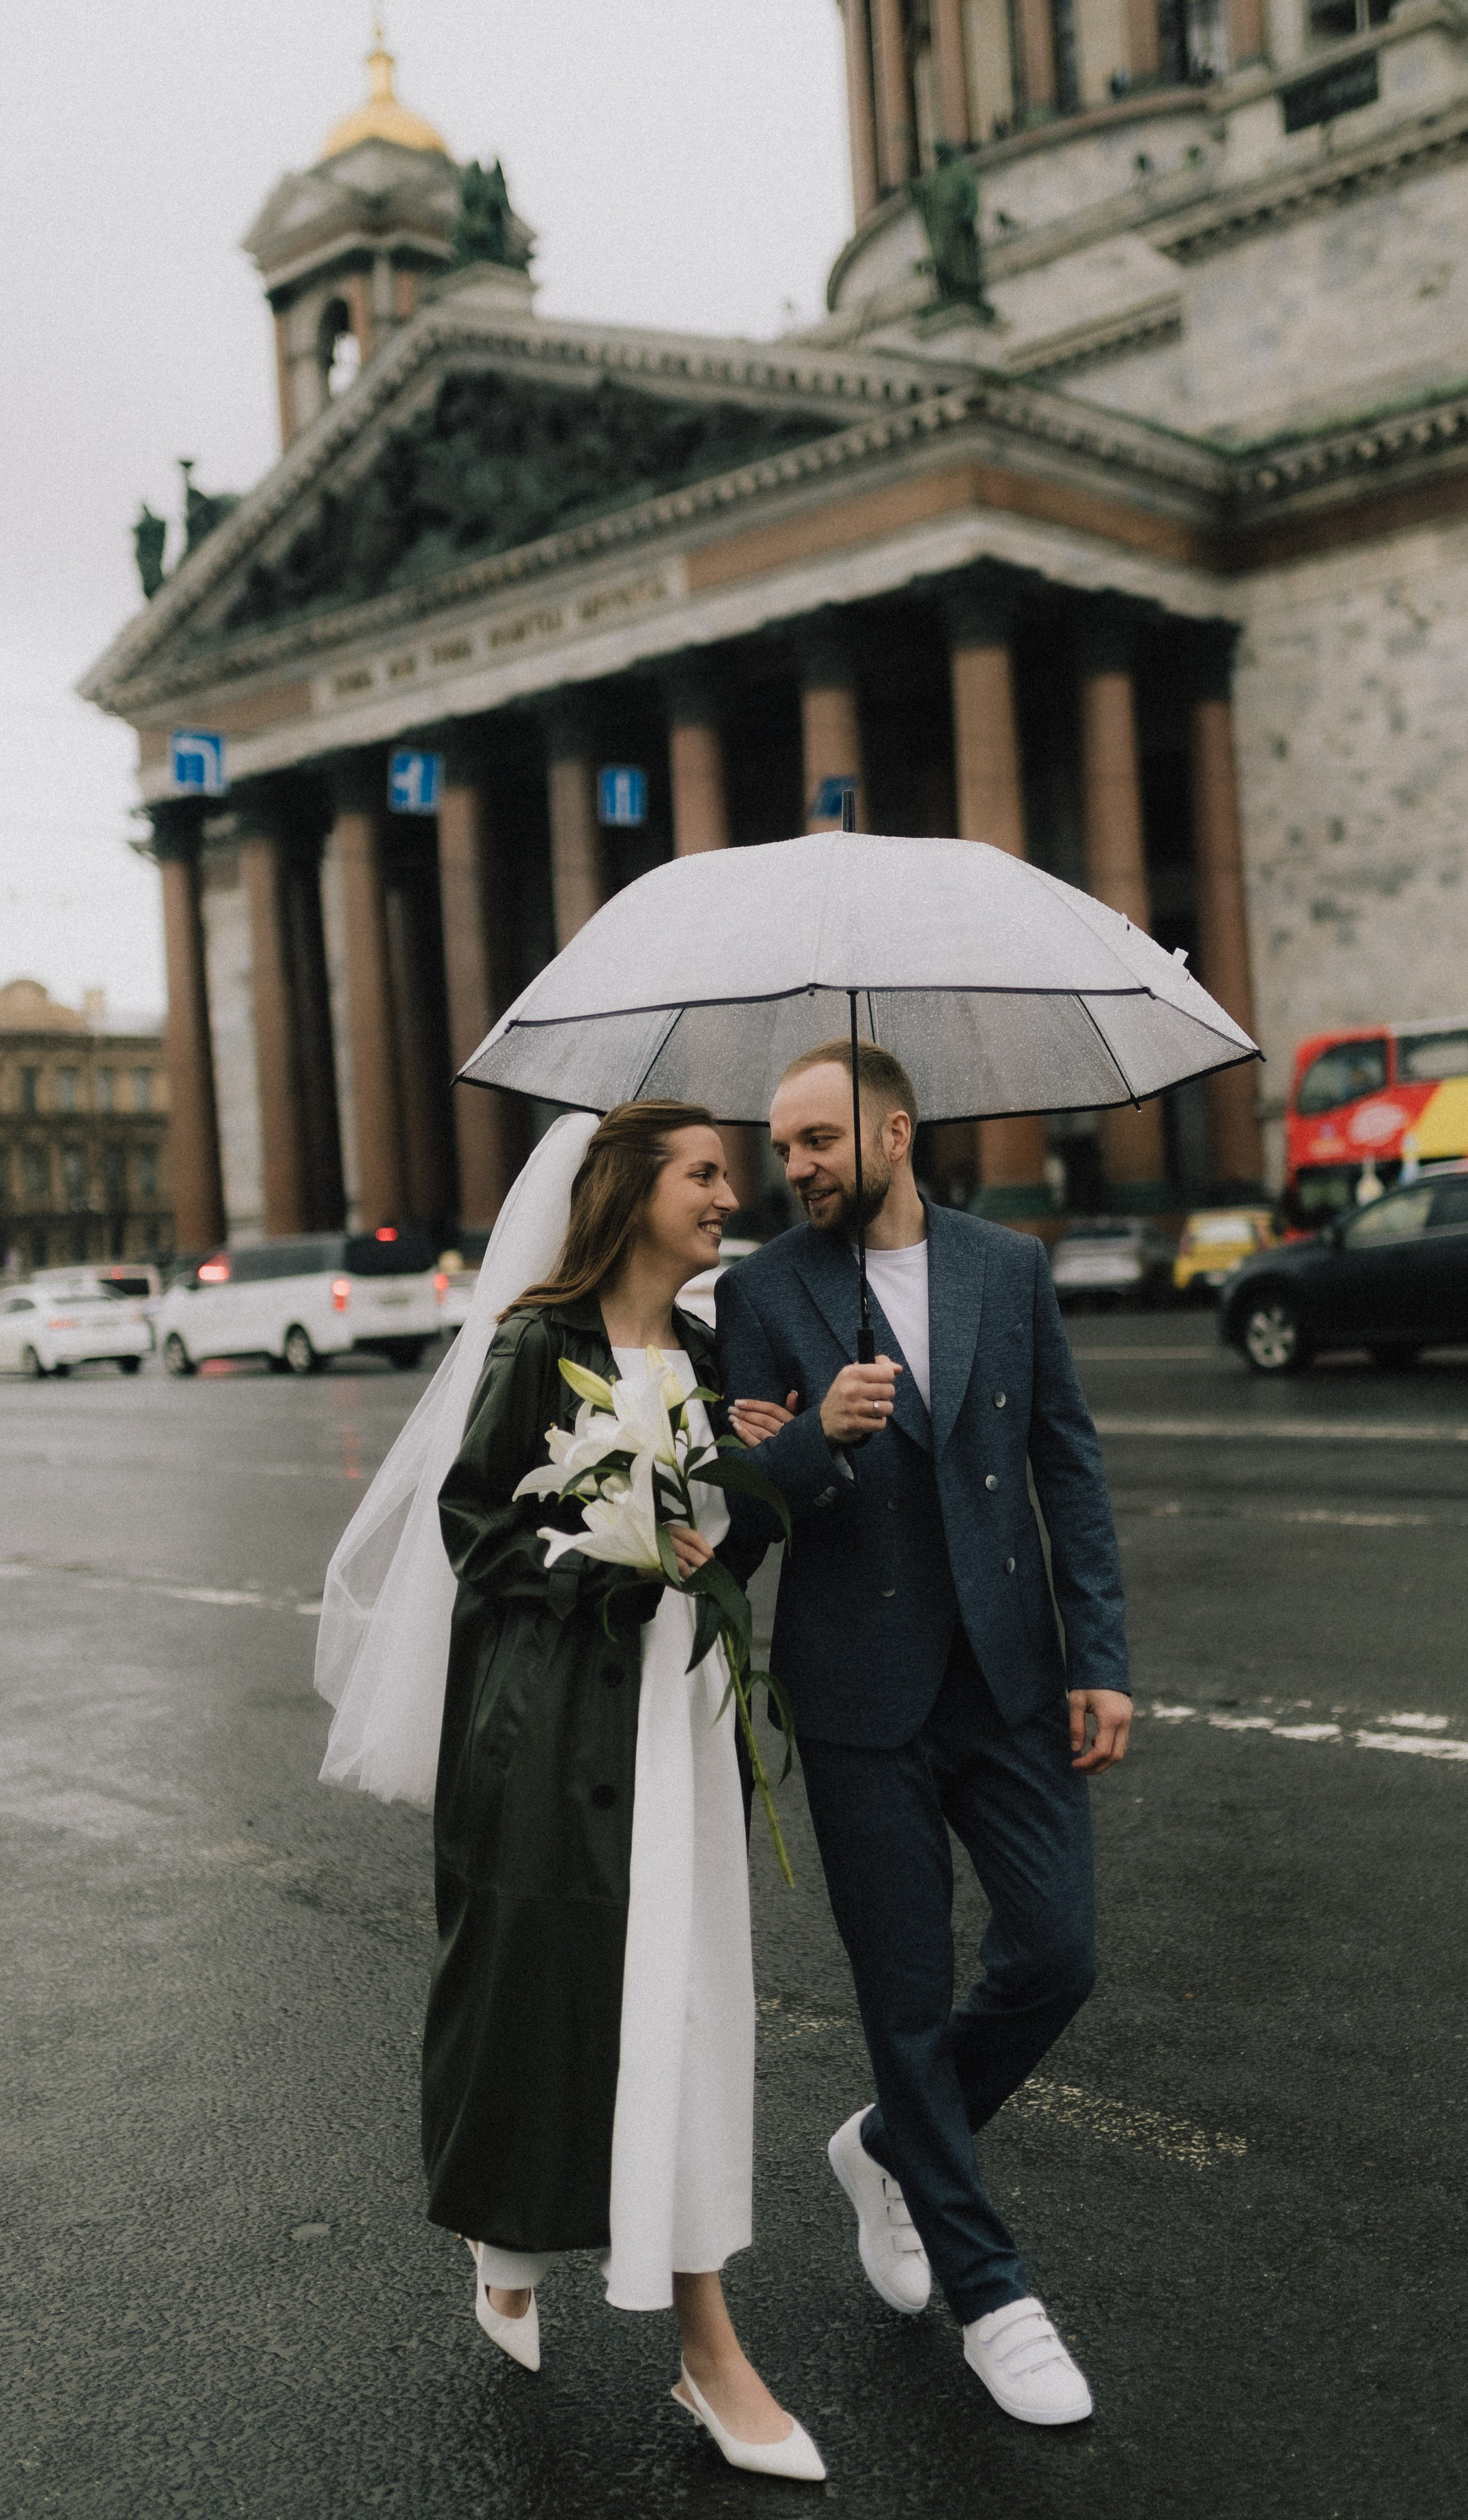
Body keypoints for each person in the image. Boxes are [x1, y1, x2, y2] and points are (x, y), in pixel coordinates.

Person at [315, 1103, 824, 2485]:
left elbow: (723, 1549)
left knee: (682, 1995)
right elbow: (477, 1529)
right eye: (704, 1173)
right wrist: (609, 1560)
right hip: (554, 1724)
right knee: (541, 1989)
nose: (730, 1194)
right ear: (631, 1191)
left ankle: (698, 2341)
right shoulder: (538, 1342)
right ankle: (521, 2237)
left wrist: (769, 1471)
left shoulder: (709, 1355)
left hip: (680, 1713)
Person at [716, 1041, 1131, 2429]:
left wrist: (1099, 1657)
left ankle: (891, 2142)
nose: (795, 1167)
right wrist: (811, 1441)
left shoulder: (1006, 1269)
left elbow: (1065, 1462)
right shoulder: (762, 1292)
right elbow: (742, 1513)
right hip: (855, 1695)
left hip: (1007, 1678)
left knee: (1056, 1952)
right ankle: (991, 2297)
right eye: (783, 1146)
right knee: (902, 1998)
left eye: (819, 1140)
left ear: (895, 1134)